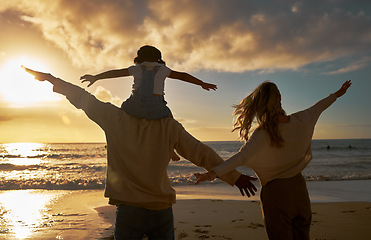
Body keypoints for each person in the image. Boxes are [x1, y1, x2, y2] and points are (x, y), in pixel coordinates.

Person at [22, 66, 257, 240]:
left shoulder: (115, 118)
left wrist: (52, 79)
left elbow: (83, 98)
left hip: (128, 209)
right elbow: (201, 153)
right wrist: (234, 177)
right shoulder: (169, 126)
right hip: (160, 208)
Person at [194, 80, 352, 240]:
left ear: (259, 104)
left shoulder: (261, 135)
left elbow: (238, 158)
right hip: (300, 192)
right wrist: (338, 93)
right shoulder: (302, 119)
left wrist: (211, 174)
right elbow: (320, 106)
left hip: (275, 195)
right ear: (280, 98)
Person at [80, 45, 217, 161]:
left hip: (134, 106)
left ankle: (114, 139)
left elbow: (115, 73)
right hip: (156, 108)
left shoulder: (136, 69)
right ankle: (171, 149)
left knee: (121, 113)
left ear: (140, 58)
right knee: (170, 120)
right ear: (158, 58)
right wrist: (201, 83)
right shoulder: (163, 69)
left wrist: (96, 77)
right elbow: (183, 76)